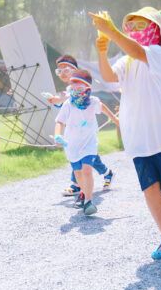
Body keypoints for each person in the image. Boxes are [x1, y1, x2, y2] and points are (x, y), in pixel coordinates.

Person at [90, 7, 161, 260]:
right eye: (131, 26)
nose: (135, 31)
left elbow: (136, 50)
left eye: (141, 25)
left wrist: (110, 30)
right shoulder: (126, 60)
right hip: (138, 138)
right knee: (150, 189)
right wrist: (102, 51)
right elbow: (108, 77)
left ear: (154, 29)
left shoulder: (154, 52)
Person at [48, 55, 115, 198]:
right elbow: (65, 104)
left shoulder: (83, 82)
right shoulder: (70, 88)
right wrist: (56, 101)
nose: (63, 74)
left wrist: (115, 119)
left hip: (87, 132)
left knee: (85, 159)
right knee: (87, 158)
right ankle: (106, 173)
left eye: (65, 69)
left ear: (75, 69)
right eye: (59, 71)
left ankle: (77, 186)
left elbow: (90, 102)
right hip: (75, 133)